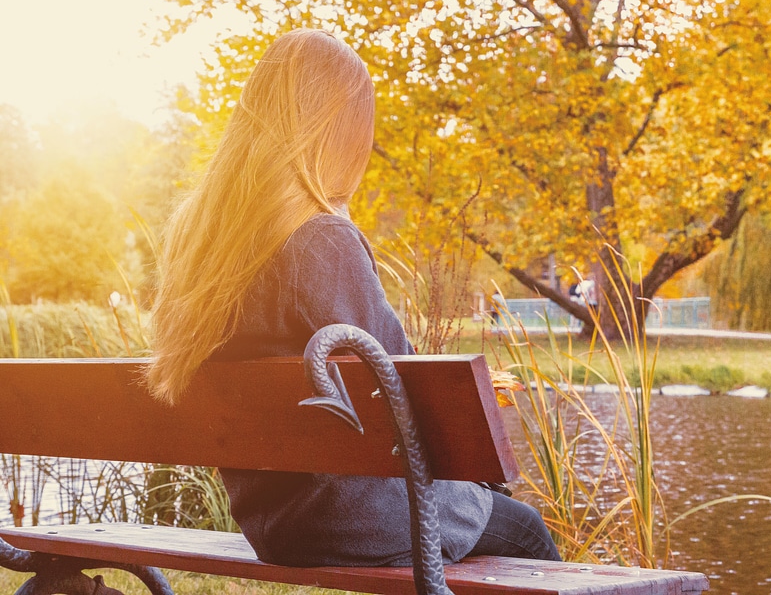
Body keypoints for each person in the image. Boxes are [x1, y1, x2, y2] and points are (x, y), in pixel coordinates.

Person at [145, 29, 560, 568]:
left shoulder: (199, 238)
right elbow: (408, 381)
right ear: (336, 133)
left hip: (268, 519)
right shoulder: (317, 238)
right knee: (524, 531)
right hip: (350, 513)